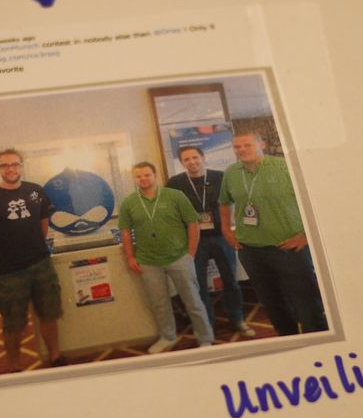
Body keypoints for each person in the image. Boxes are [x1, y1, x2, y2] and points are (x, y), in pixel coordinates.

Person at [219, 132, 327, 336]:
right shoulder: (231, 173)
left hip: (289, 249)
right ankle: (288, 340)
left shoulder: (285, 167)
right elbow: (224, 202)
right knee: (272, 302)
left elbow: (314, 199)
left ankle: (319, 344)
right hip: (251, 251)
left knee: (306, 302)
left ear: (261, 144)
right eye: (237, 147)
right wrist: (226, 230)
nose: (241, 150)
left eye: (247, 145)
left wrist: (306, 234)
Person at [0, 148, 66, 371]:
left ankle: (55, 356)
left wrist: (34, 246)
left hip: (41, 263)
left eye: (15, 164)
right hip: (8, 271)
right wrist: (3, 253)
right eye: (5, 165)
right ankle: (14, 365)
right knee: (13, 322)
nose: (10, 169)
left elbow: (43, 222)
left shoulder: (36, 191)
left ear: (22, 166)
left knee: (48, 313)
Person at [118, 161, 215, 353]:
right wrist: (130, 257)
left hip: (179, 257)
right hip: (148, 261)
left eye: (147, 175)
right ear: (134, 179)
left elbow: (193, 224)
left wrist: (190, 254)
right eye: (139, 176)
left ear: (155, 176)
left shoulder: (175, 196)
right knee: (159, 303)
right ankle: (167, 337)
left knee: (192, 300)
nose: (143, 179)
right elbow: (125, 232)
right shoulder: (129, 202)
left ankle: (205, 338)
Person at [166, 144, 256, 339]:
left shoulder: (220, 177)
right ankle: (207, 325)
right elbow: (171, 211)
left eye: (195, 157)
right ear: (181, 163)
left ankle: (237, 319)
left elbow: (236, 202)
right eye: (187, 159)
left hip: (220, 236)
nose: (192, 162)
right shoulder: (175, 182)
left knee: (231, 281)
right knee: (199, 284)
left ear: (203, 157)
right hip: (194, 241)